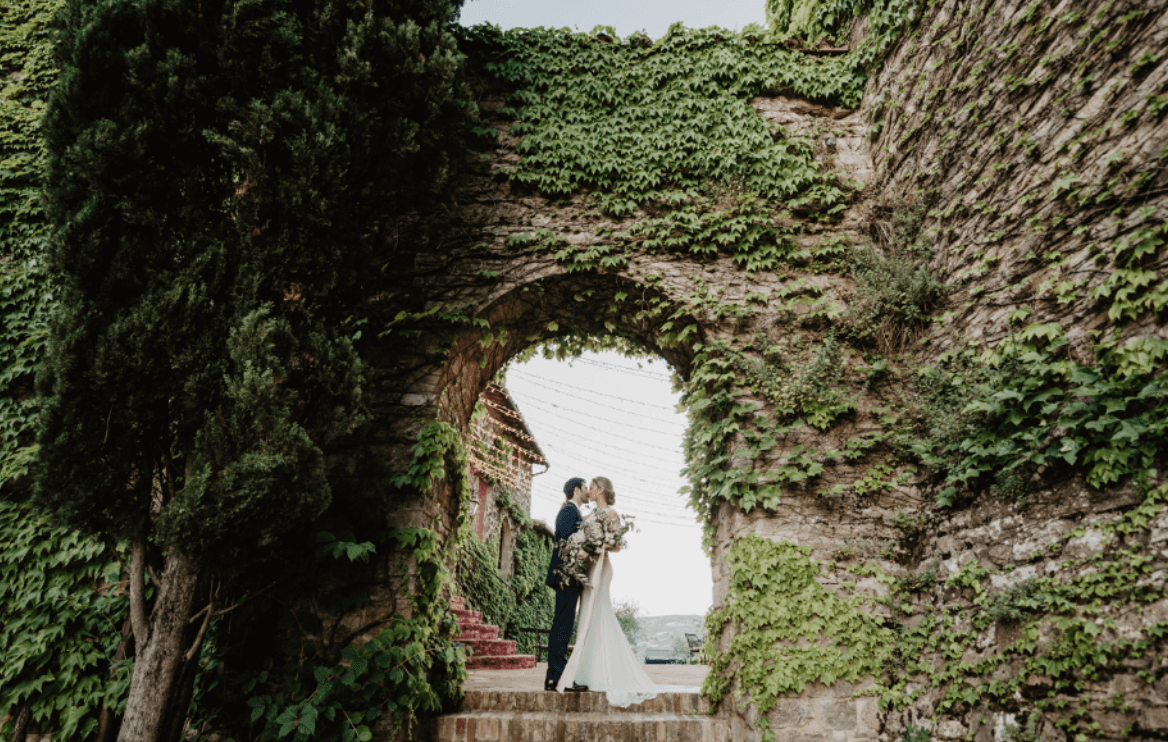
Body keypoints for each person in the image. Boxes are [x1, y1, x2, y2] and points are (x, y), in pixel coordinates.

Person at [555, 477, 699, 706]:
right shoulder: (589, 515)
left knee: (599, 612)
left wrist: (598, 543)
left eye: (591, 487)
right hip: (589, 568)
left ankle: (604, 672)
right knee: (587, 616)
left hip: (601, 568)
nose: (589, 491)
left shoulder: (611, 514)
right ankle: (585, 672)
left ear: (600, 490)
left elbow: (618, 545)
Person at [544, 477, 590, 692]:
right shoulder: (568, 511)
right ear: (577, 489)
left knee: (563, 624)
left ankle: (554, 676)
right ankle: (559, 675)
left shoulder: (574, 511)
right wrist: (583, 546)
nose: (588, 491)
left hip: (570, 576)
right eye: (586, 487)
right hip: (566, 575)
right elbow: (563, 538)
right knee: (562, 624)